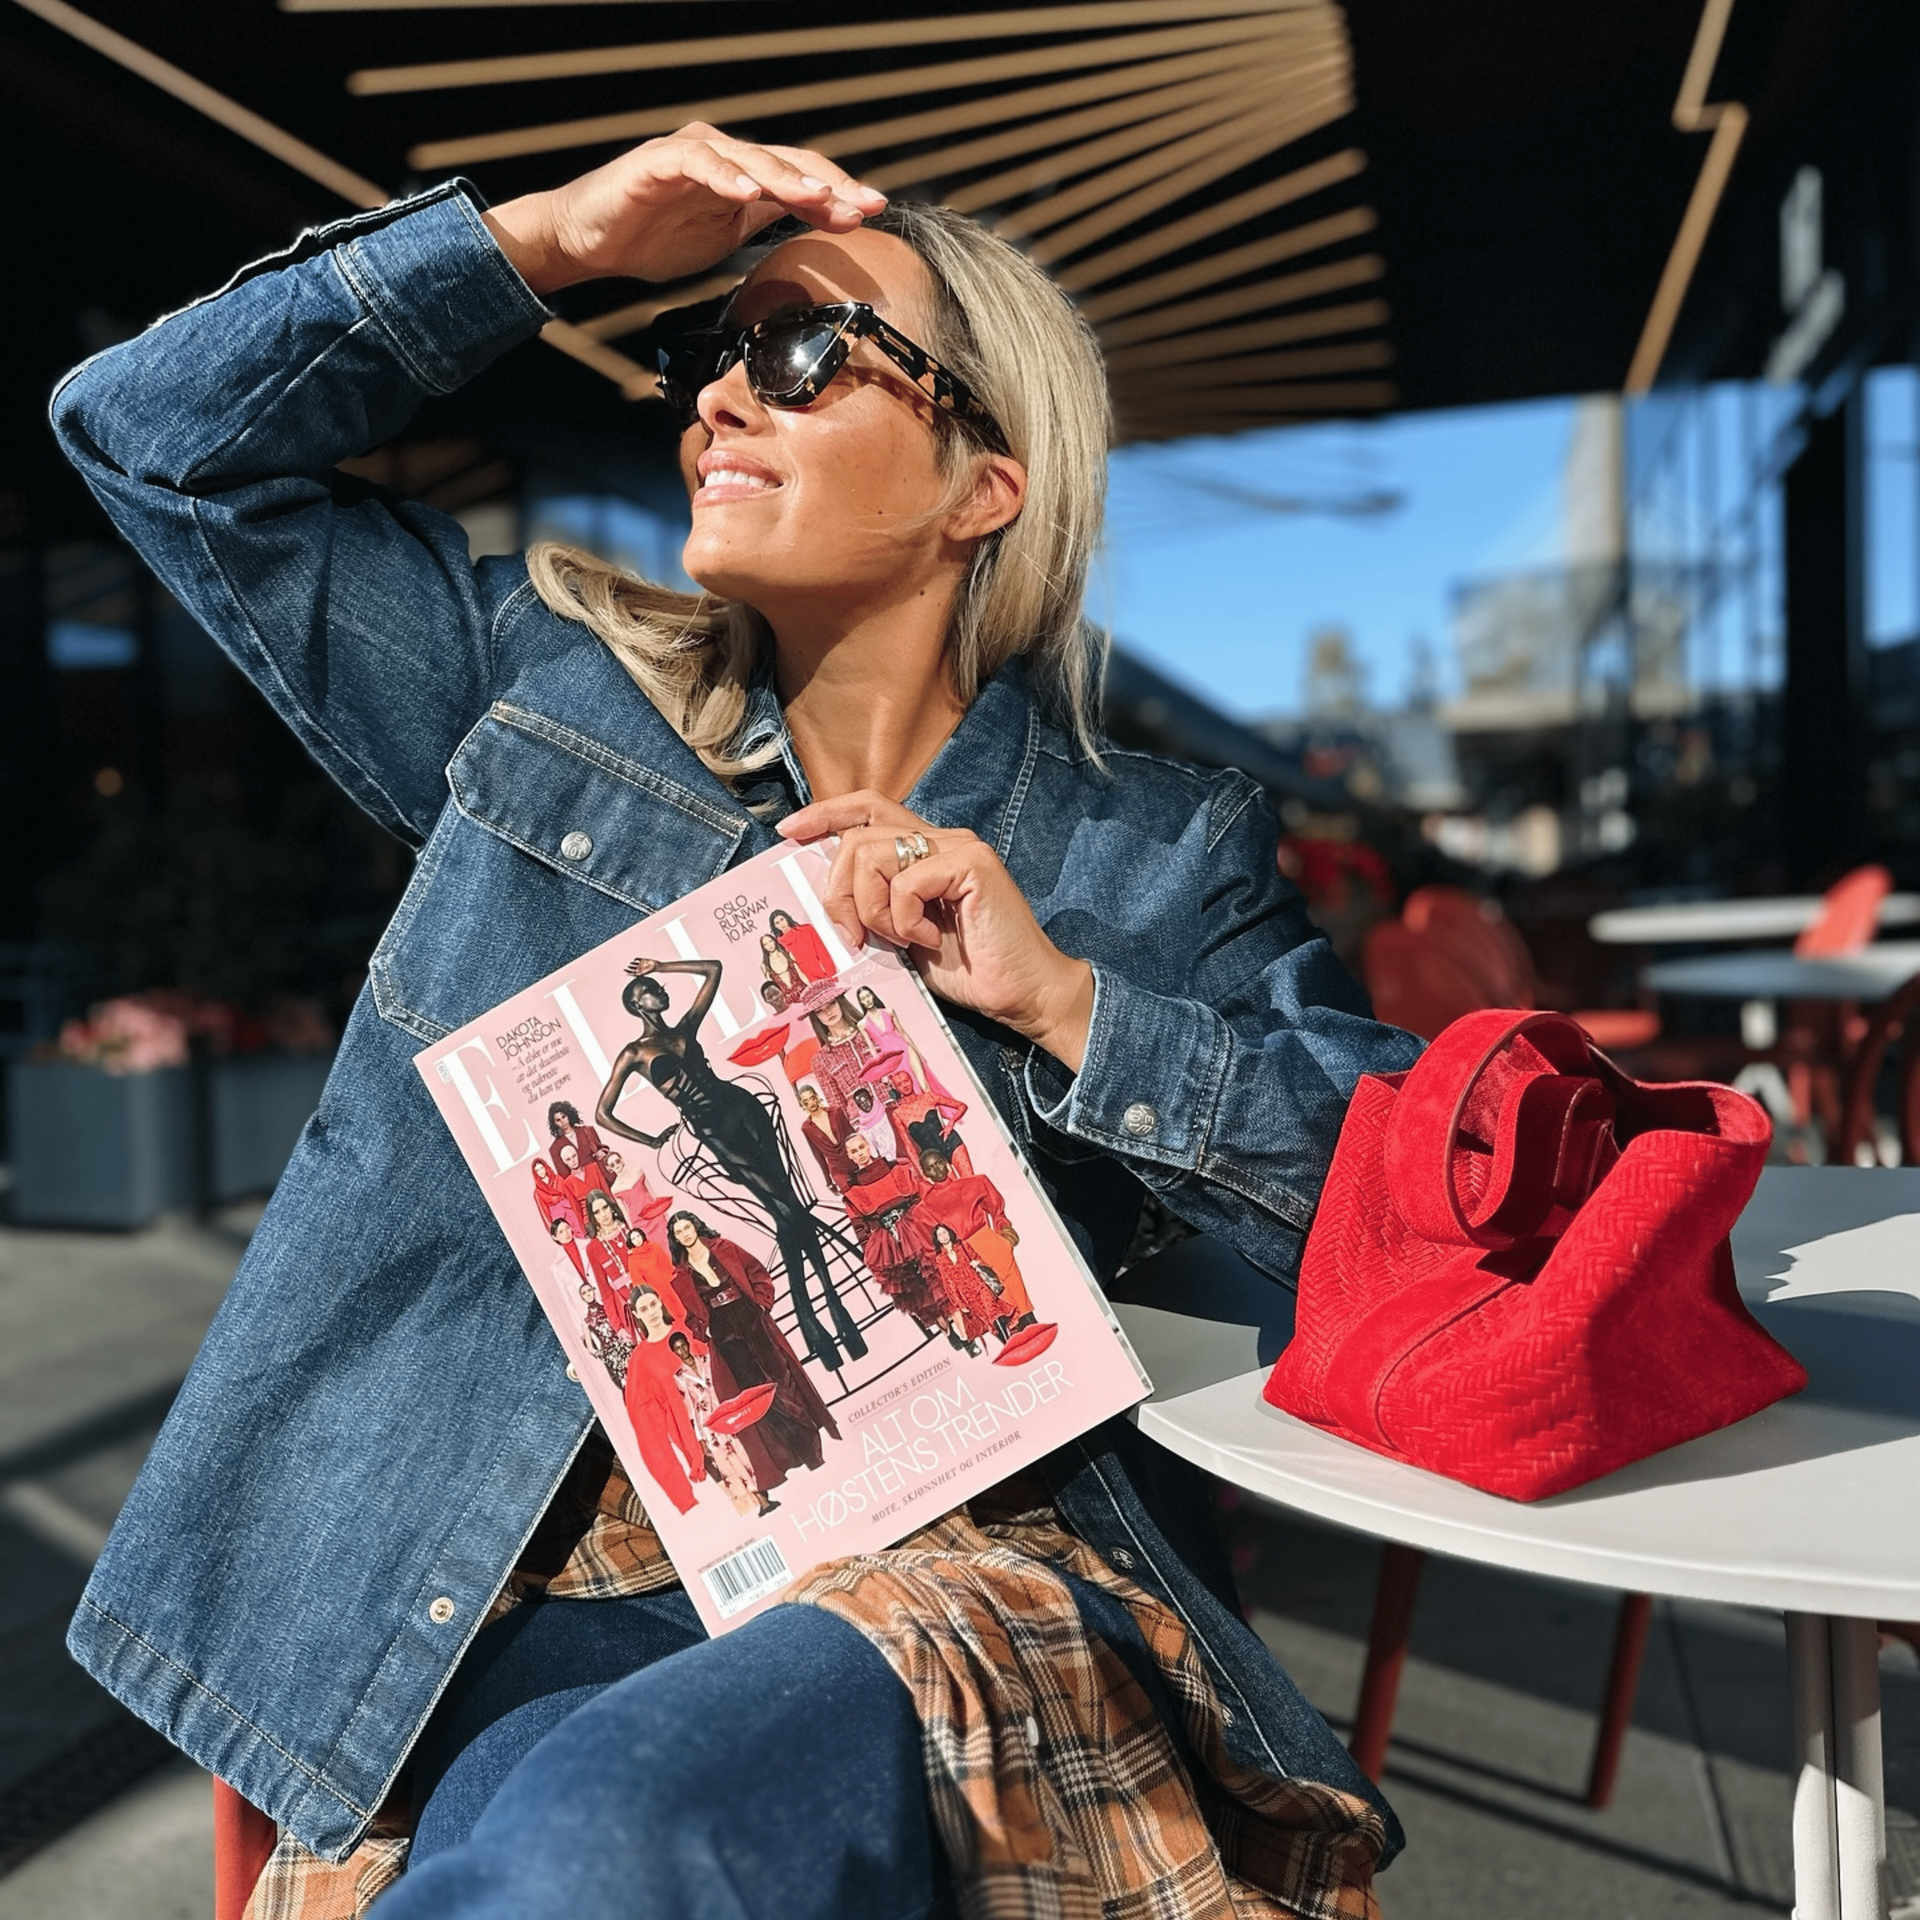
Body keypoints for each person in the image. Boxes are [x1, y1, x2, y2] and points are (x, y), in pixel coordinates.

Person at [55, 121, 1416, 1920]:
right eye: (708, 356)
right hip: (485, 1584)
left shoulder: (1145, 849)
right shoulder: (544, 700)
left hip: (930, 1575)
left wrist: (1074, 1003)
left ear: (981, 485)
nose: (713, 401)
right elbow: (149, 438)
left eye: (794, 354)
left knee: (589, 1847)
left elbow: (1404, 1213)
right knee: (529, 1855)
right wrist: (542, 242)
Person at [593, 955, 869, 1372]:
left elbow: (715, 969)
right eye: (653, 989)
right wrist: (652, 1139)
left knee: (790, 1210)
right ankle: (827, 1317)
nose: (662, 991)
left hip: (744, 1110)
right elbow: (603, 1114)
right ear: (638, 1003)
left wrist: (660, 965)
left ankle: (821, 1321)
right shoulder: (635, 1052)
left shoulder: (685, 1027)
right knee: (787, 1213)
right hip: (715, 1129)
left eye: (659, 986)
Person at [663, 1210, 839, 1488]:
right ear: (675, 1239)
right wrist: (704, 1331)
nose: (684, 1234)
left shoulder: (725, 1247)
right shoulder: (681, 1276)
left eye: (687, 1227)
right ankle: (791, 1456)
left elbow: (758, 1272)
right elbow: (691, 1315)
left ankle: (811, 1448)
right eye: (678, 1232)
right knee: (756, 1390)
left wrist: (761, 1304)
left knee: (782, 1380)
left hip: (749, 1314)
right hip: (723, 1330)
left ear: (696, 1226)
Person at [914, 1149, 1034, 1326]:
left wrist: (1005, 1231)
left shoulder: (975, 1183)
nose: (937, 1170)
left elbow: (997, 1209)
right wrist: (950, 1270)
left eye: (939, 1162)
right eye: (930, 1168)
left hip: (987, 1239)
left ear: (946, 1162)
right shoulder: (923, 1210)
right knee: (992, 1295)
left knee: (1014, 1284)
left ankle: (1032, 1323)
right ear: (925, 1175)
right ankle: (1015, 1332)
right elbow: (932, 1248)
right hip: (963, 1253)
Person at [666, 1329, 776, 1519]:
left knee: (743, 1454)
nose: (683, 1351)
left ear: (688, 1344)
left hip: (727, 1415)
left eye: (684, 1345)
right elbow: (690, 1409)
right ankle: (760, 1501)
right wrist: (699, 1438)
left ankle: (762, 1497)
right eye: (678, 1349)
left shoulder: (707, 1361)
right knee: (728, 1462)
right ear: (674, 1353)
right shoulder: (679, 1378)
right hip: (708, 1426)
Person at [620, 1286, 707, 1516]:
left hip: (728, 1417)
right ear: (636, 1314)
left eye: (652, 1304)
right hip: (697, 1440)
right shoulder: (640, 1360)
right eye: (643, 1309)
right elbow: (649, 1433)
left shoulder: (685, 1328)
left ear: (660, 1302)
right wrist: (682, 1497)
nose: (651, 1312)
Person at [793, 1080, 856, 1194]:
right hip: (838, 1170)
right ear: (802, 1104)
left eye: (812, 1098)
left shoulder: (836, 1112)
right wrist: (828, 1181)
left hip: (854, 1160)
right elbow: (818, 1156)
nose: (811, 1104)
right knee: (853, 1197)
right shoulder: (807, 1128)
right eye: (806, 1102)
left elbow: (853, 1135)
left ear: (816, 1097)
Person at [768, 907, 835, 985]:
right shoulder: (779, 945)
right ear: (775, 926)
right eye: (777, 923)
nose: (781, 924)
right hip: (805, 982)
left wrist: (832, 976)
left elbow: (823, 953)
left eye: (782, 919)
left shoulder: (806, 930)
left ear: (786, 918)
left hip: (823, 975)